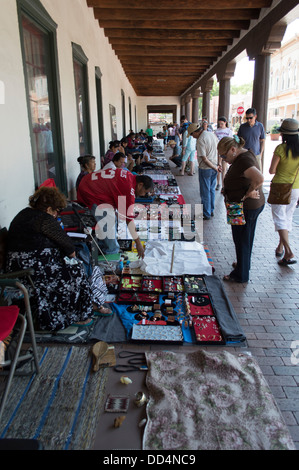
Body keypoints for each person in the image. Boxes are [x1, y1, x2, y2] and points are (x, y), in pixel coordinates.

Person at [6, 187, 111, 331]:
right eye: (56, 211)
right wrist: (72, 256)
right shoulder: (44, 219)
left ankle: (89, 305)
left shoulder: (25, 213)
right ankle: (76, 314)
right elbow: (68, 247)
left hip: (20, 265)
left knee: (77, 267)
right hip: (28, 272)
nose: (57, 215)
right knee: (76, 270)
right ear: (49, 209)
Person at [217, 135, 265, 283]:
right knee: (245, 238)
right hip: (242, 206)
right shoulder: (242, 156)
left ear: (233, 149)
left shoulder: (244, 160)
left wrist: (248, 192)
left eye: (224, 156)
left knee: (242, 239)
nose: (223, 159)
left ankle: (241, 274)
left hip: (245, 207)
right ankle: (243, 264)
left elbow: (259, 178)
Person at [77, 168, 154, 258]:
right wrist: (138, 243)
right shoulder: (129, 190)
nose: (143, 195)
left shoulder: (129, 176)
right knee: (109, 221)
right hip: (89, 191)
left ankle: (104, 245)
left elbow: (122, 210)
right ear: (140, 185)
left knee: (113, 217)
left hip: (87, 182)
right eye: (145, 192)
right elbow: (128, 221)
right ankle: (111, 253)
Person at [268, 118, 299, 266]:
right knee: (287, 217)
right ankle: (280, 247)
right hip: (295, 188)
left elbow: (272, 170)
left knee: (279, 219)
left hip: (281, 187)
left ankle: (288, 251)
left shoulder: (281, 149)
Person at [188, 123, 221, 220]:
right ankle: (210, 210)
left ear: (195, 132)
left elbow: (204, 159)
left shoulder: (201, 140)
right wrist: (217, 165)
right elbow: (219, 150)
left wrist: (215, 167)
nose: (192, 137)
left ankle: (206, 213)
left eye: (191, 134)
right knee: (211, 190)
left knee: (205, 192)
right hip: (214, 166)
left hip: (206, 168)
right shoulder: (211, 134)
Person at [215, 117, 233, 190]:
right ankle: (218, 183)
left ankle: (223, 185)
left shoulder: (229, 131)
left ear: (225, 122)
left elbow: (230, 141)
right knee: (218, 167)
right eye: (219, 124)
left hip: (226, 152)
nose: (221, 125)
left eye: (222, 124)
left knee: (224, 169)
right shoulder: (216, 131)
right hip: (218, 151)